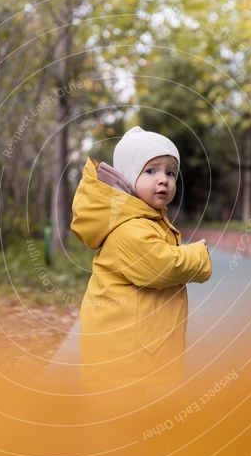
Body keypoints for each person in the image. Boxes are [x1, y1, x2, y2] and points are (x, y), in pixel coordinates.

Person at [70, 126, 212, 395]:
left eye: (171, 172)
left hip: (137, 344)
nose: (164, 180)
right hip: (126, 351)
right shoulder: (128, 227)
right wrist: (197, 255)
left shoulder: (144, 219)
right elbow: (160, 267)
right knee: (126, 416)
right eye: (151, 171)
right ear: (129, 176)